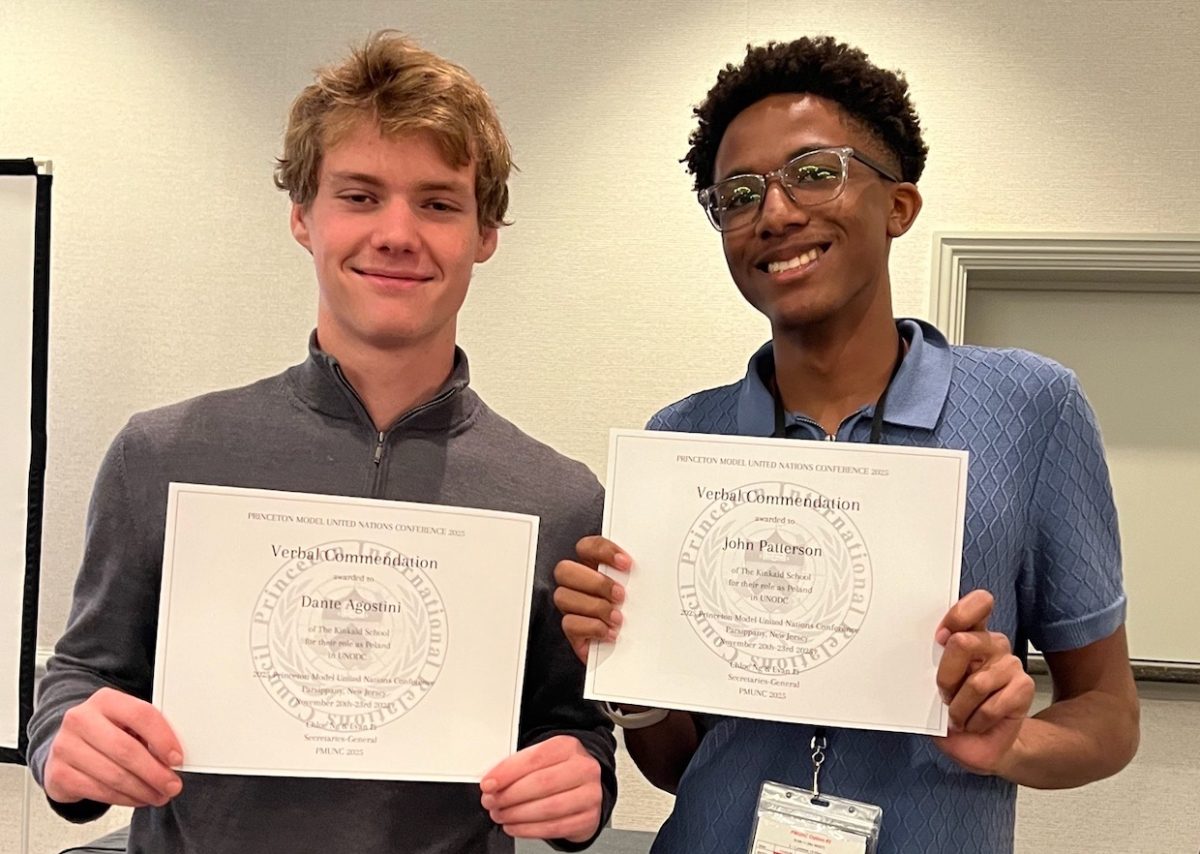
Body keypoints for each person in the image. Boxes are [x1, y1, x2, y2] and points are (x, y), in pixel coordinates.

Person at [28, 31, 615, 854]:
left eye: (439, 203)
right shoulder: (162, 454)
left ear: (486, 234)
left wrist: (580, 784)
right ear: (304, 217)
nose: (398, 233)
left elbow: (570, 727)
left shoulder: (559, 498)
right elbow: (81, 679)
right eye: (361, 195)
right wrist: (67, 743)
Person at [553, 37, 1138, 853]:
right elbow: (678, 766)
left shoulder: (1031, 408)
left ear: (898, 206)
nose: (777, 213)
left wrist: (1013, 744)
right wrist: (625, 670)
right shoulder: (683, 443)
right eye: (739, 194)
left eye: (815, 172)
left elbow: (1109, 717)